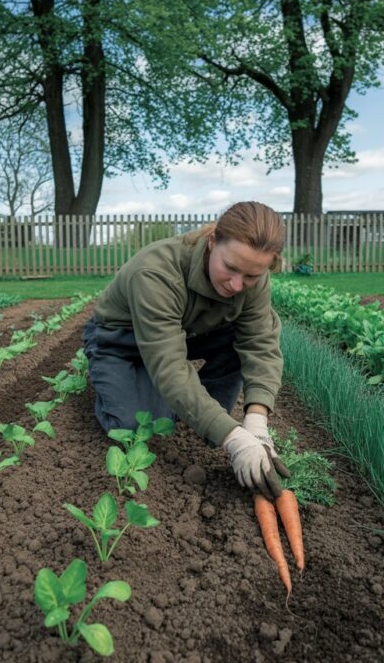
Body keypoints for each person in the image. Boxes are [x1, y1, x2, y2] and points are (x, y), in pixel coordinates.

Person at [82, 201, 290, 499]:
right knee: (138, 427)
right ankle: (126, 384)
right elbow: (170, 365)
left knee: (235, 344)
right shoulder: (156, 271)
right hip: (121, 340)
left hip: (187, 333)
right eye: (230, 268)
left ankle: (204, 418)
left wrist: (257, 421)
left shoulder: (252, 276)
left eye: (251, 276)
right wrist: (234, 438)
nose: (237, 284)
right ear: (212, 241)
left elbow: (260, 344)